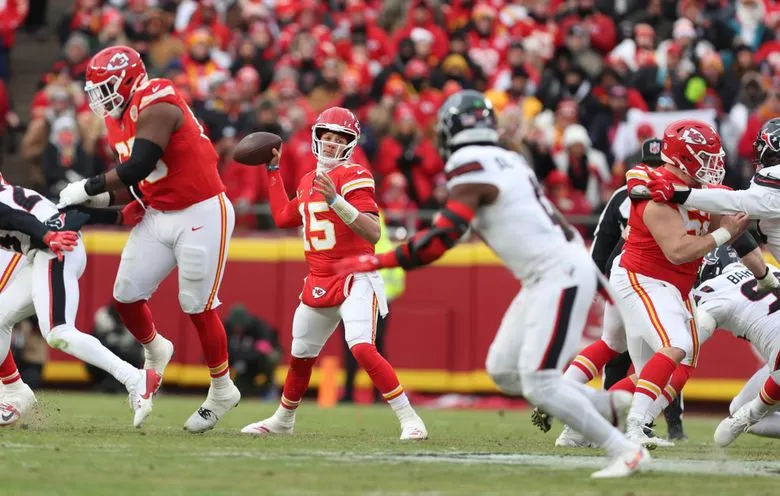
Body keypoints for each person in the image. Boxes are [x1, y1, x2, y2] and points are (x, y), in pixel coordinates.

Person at [336, 90, 649, 478]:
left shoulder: (471, 164)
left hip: (558, 274)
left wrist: (378, 259)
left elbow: (442, 237)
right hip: (550, 274)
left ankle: (624, 450)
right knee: (502, 370)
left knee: (540, 383)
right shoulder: (509, 159)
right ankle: (609, 407)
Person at [56, 46, 240, 433]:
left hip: (201, 209)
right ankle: (156, 348)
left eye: (106, 86)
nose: (100, 96)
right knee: (126, 295)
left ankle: (222, 388)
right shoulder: (116, 119)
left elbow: (138, 164)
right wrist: (93, 202)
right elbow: (137, 184)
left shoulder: (156, 97)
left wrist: (85, 187)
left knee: (196, 306)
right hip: (159, 211)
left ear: (128, 79)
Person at [241, 107, 427, 440]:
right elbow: (284, 217)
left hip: (355, 274)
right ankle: (284, 420)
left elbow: (372, 232)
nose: (330, 144)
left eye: (338, 138)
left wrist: (337, 200)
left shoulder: (356, 175)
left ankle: (410, 419)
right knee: (300, 354)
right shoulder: (307, 179)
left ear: (350, 143)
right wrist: (272, 170)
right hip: (318, 277)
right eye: (326, 137)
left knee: (361, 347)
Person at [608, 120, 766, 449]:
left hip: (675, 286)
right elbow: (678, 251)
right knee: (676, 343)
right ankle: (636, 426)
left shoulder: (694, 190)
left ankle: (582, 421)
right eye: (706, 158)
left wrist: (765, 276)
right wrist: (724, 233)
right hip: (643, 277)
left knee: (670, 362)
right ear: (683, 158)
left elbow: (743, 235)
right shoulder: (655, 191)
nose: (716, 165)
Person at [0, 176, 159, 427]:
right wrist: (117, 217)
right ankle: (15, 392)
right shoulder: (13, 192)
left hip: (56, 248)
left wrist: (47, 236)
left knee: (58, 331)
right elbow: (66, 210)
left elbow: (11, 217)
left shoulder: (7, 200)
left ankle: (136, 378)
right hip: (50, 248)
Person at [693, 247, 780, 446]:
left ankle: (749, 414)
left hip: (778, 360)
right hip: (775, 359)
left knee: (746, 415)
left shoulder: (711, 292)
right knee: (738, 408)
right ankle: (748, 414)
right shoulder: (766, 267)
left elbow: (689, 342)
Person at [341, 211, 406, 403]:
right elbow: (398, 282)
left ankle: (348, 394)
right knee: (377, 349)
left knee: (351, 348)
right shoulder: (388, 249)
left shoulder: (354, 246)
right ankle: (382, 394)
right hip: (380, 305)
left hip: (352, 302)